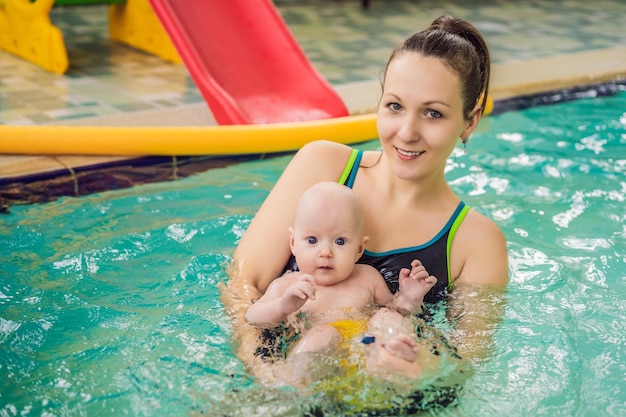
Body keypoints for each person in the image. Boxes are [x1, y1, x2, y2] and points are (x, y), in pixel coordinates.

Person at [224, 14, 508, 386]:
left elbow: (466, 365)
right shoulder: (322, 166)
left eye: (433, 113)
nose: (407, 132)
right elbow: (242, 287)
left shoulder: (476, 241)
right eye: (394, 106)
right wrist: (269, 377)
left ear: (470, 122)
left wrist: (422, 367)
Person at [244, 182, 437, 384]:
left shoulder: (368, 278)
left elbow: (395, 309)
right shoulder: (287, 287)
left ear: (359, 249)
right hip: (318, 362)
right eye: (312, 240)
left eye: (340, 242)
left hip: (364, 348)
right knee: (321, 334)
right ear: (293, 243)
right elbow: (252, 317)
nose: (326, 252)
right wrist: (282, 307)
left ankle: (395, 354)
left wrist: (408, 299)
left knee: (388, 317)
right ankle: (293, 384)